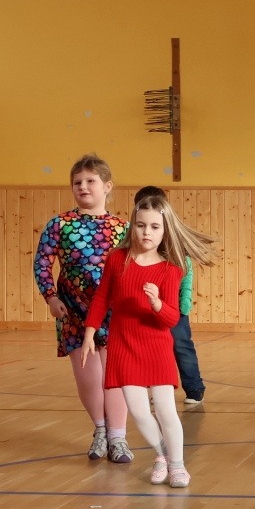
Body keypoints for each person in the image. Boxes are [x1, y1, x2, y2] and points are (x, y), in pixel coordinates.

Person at [80, 194, 219, 488]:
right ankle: (163, 454)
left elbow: (171, 319)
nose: (147, 232)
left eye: (155, 227)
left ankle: (177, 465)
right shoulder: (117, 259)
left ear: (165, 230)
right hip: (123, 345)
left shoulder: (172, 268)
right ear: (133, 225)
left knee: (166, 410)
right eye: (141, 225)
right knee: (140, 412)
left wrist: (157, 304)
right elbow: (102, 297)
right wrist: (90, 331)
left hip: (156, 347)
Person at [34, 155, 130, 462]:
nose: (83, 186)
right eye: (77, 182)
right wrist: (51, 297)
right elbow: (42, 263)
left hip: (114, 312)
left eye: (90, 181)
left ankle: (118, 437)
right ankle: (100, 429)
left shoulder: (123, 228)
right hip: (73, 311)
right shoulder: (60, 224)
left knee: (114, 376)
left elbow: (137, 266)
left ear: (107, 186)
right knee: (88, 376)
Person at [134, 185, 205, 408]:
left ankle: (194, 388)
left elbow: (186, 271)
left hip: (173, 308)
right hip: (146, 308)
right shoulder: (137, 238)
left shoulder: (172, 241)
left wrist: (184, 301)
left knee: (181, 346)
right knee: (151, 350)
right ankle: (157, 389)